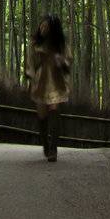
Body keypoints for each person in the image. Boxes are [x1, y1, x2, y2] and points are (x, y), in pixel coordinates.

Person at [23, 14, 71, 161]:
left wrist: (61, 61)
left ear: (52, 29)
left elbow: (68, 61)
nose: (42, 28)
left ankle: (54, 148)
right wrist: (30, 76)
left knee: (55, 110)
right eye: (41, 26)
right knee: (42, 115)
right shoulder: (35, 43)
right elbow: (30, 62)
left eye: (46, 26)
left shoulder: (61, 45)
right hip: (40, 80)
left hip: (56, 80)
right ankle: (45, 142)